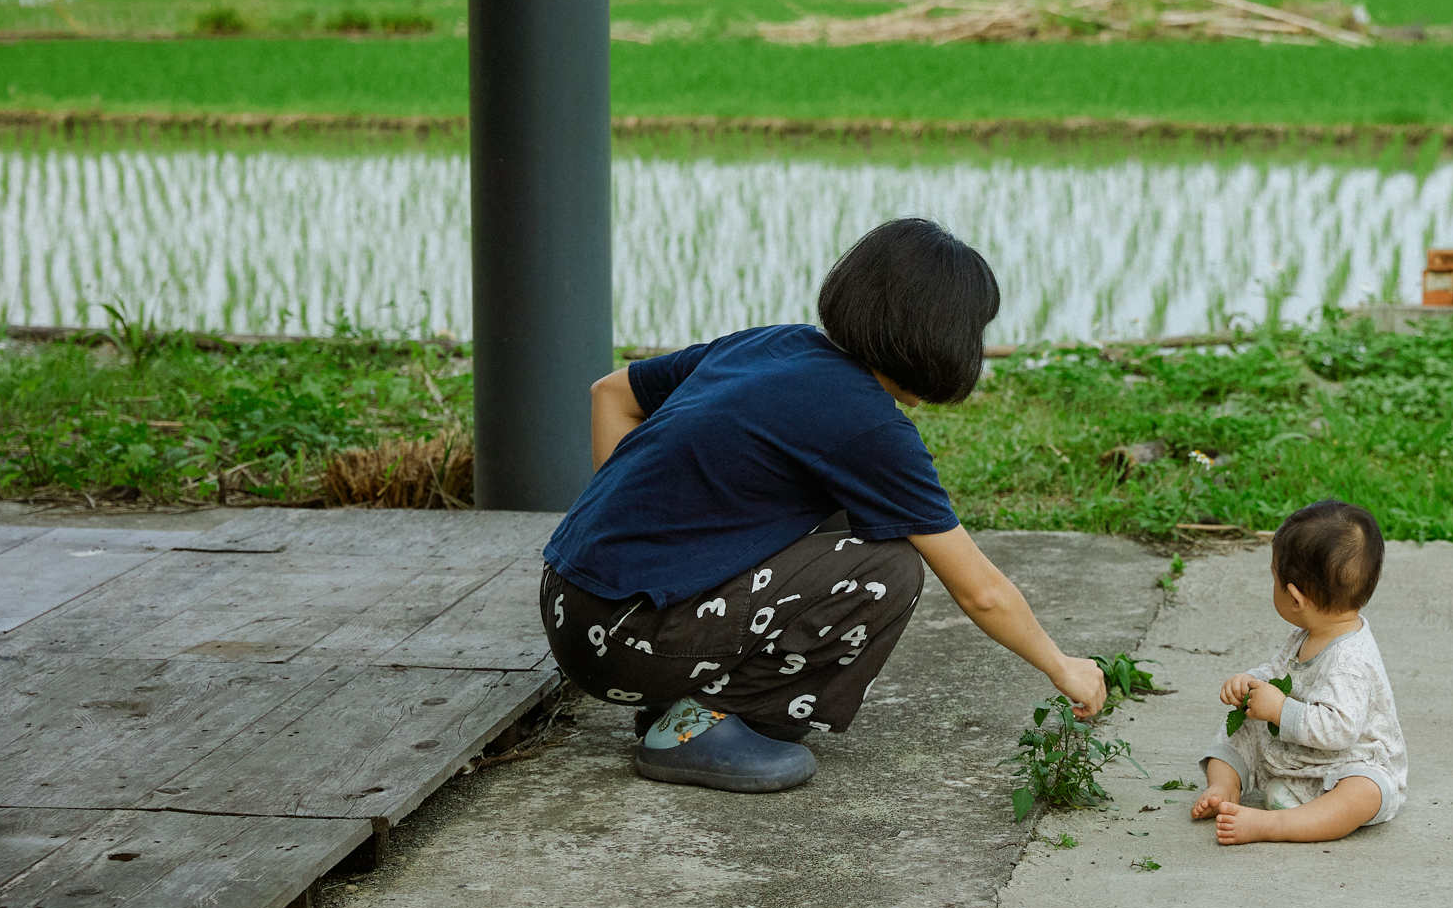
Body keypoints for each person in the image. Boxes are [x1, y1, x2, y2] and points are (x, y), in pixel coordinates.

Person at [539, 217, 1106, 793]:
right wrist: (1063, 667)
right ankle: (693, 725)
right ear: (939, 335)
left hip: (571, 604)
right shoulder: (868, 426)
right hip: (625, 641)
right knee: (887, 569)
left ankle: (679, 694)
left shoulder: (774, 343)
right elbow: (979, 590)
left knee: (847, 517)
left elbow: (611, 392)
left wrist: (630, 526)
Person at [1191, 500, 1408, 843]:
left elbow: (1340, 729)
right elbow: (1278, 672)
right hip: (1296, 753)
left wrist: (1280, 709)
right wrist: (1251, 682)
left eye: (1274, 579)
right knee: (1242, 727)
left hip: (1345, 762)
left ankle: (1274, 824)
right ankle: (1225, 786)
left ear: (1295, 598)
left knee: (1365, 791)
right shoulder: (1308, 634)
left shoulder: (1351, 661)